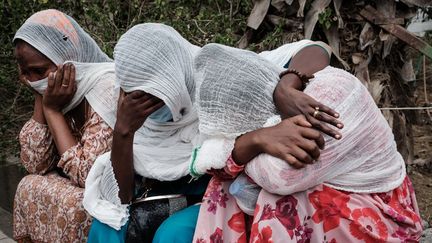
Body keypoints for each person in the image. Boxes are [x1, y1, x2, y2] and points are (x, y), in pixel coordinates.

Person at [83, 23, 343, 242]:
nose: (144, 106)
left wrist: (285, 88)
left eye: (156, 96)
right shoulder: (133, 113)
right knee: (107, 226)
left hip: (220, 192)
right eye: (133, 95)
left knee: (172, 235)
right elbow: (123, 195)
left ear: (176, 79)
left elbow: (317, 49)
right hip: (163, 196)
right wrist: (124, 132)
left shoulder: (219, 78)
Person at [191, 43, 423, 242]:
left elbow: (280, 178)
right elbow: (213, 161)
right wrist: (256, 139)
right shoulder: (272, 120)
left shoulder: (332, 95)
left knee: (280, 205)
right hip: (335, 198)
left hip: (384, 214)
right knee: (223, 186)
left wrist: (250, 143)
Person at [13, 9, 118, 242]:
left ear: (67, 57)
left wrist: (52, 110)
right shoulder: (55, 90)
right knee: (28, 185)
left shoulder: (105, 87)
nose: (31, 79)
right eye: (25, 73)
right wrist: (42, 97)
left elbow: (88, 175)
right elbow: (36, 163)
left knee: (75, 204)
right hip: (81, 183)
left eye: (39, 71)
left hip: (117, 189)